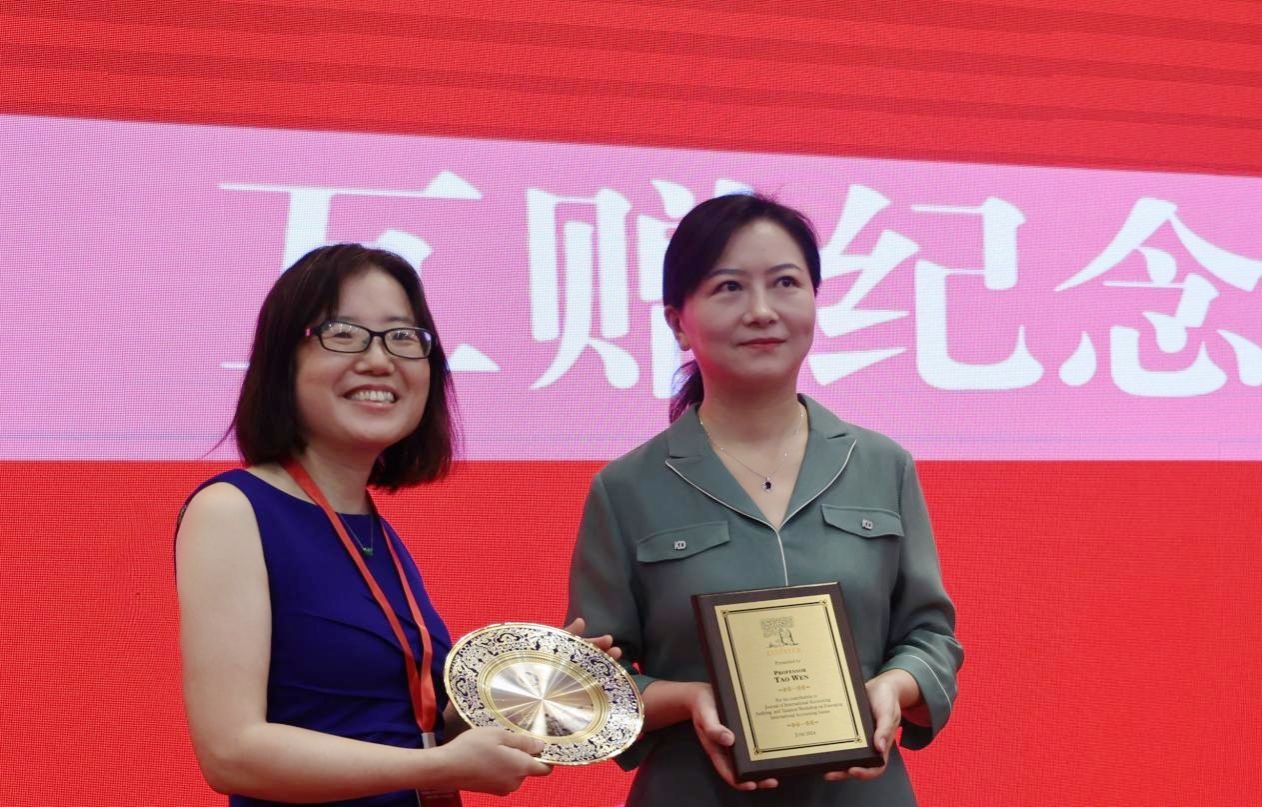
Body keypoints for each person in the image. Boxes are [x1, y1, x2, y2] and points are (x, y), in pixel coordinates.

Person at [567, 195, 963, 806]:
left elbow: (931, 637)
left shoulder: (883, 466)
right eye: (729, 287)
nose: (761, 311)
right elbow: (593, 682)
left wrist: (896, 686)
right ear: (678, 322)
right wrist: (688, 699)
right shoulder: (626, 489)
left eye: (785, 283)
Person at [176, 244, 559, 805]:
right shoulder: (233, 510)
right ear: (283, 360)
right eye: (344, 333)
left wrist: (534, 686)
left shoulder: (371, 527)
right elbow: (231, 752)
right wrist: (440, 765)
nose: (380, 360)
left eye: (403, 337)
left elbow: (399, 727)